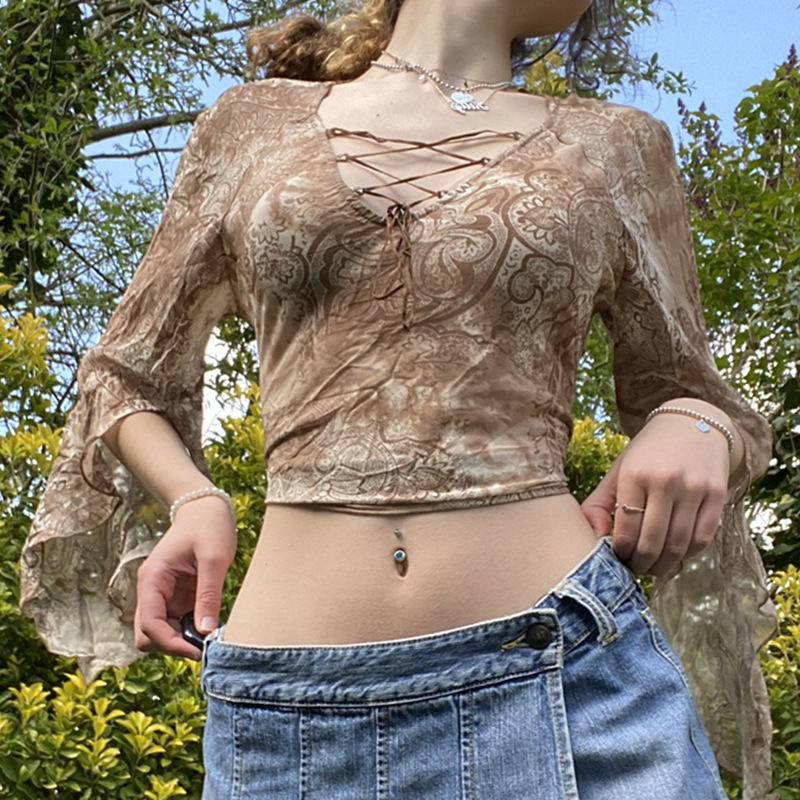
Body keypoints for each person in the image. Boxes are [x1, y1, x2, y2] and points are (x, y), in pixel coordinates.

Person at [20, 0, 777, 797]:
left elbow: (698, 394)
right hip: (288, 722)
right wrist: (194, 497)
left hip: (575, 683)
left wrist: (695, 423)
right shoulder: (249, 124)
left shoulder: (617, 144)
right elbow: (124, 373)